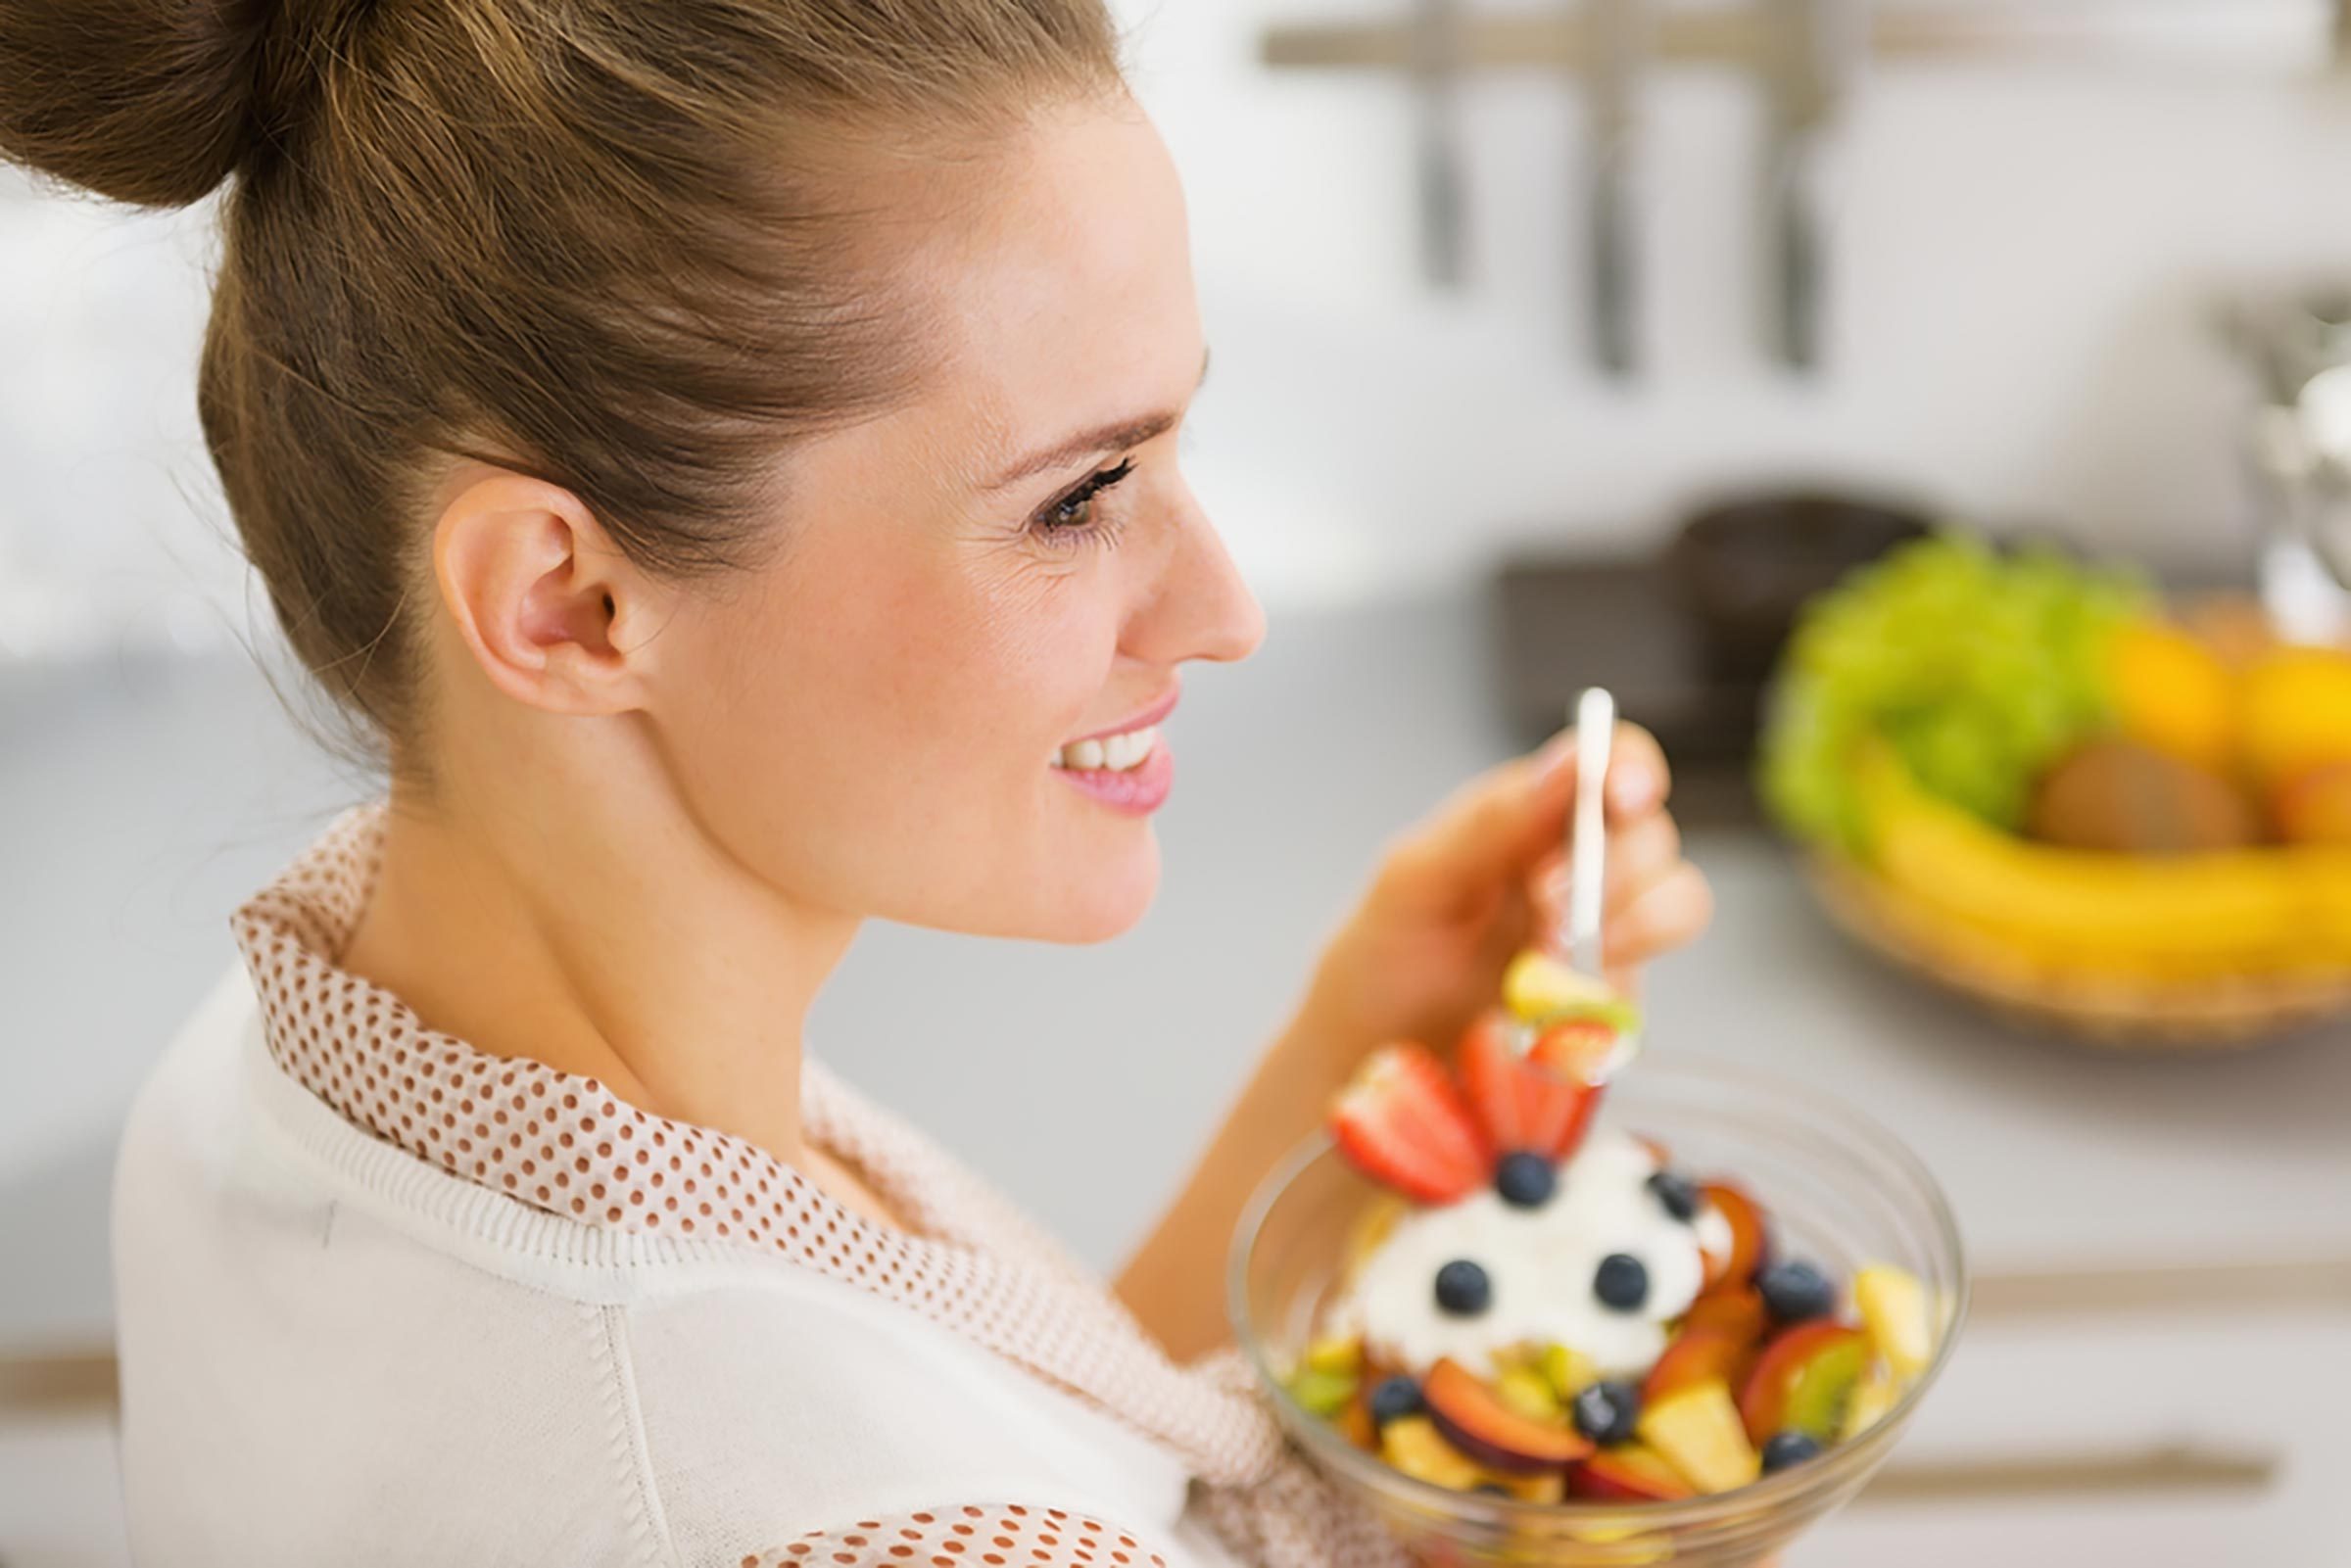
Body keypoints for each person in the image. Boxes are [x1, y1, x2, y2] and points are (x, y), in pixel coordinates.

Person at [0, 1, 1712, 1562]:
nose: (1225, 610)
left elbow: (1001, 1441)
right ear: (569, 603)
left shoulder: (271, 1077)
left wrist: (1358, 1080)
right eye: (1079, 496)